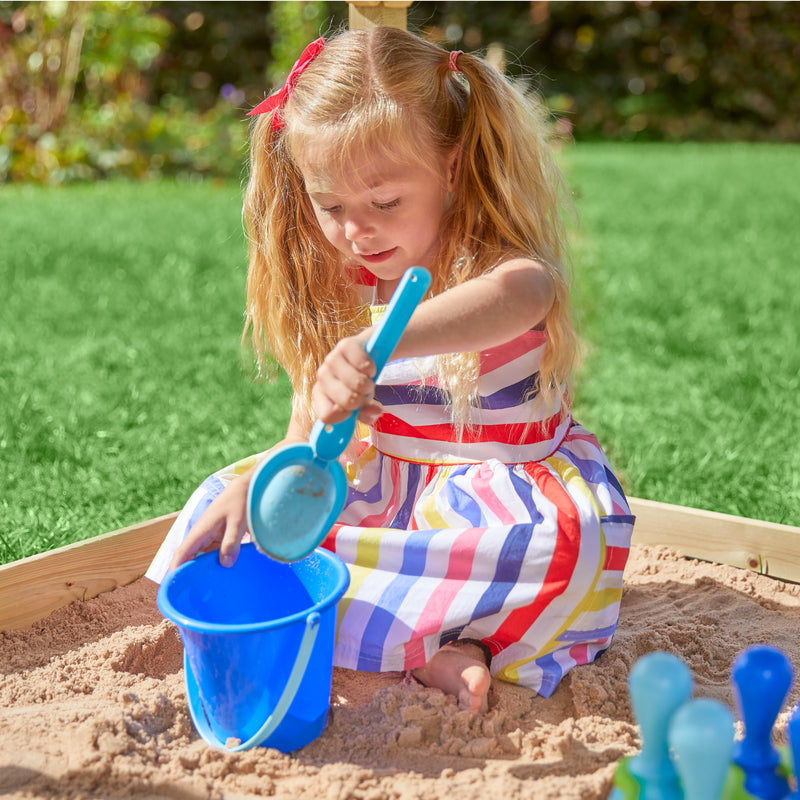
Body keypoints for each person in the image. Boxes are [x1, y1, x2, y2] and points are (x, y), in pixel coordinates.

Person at [146, 27, 635, 715]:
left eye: (384, 203)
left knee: (568, 546)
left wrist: (384, 341)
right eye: (331, 207)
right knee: (222, 506)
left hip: (502, 504)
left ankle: (432, 638)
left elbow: (527, 293)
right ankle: (436, 643)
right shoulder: (343, 285)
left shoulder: (491, 263)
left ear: (452, 167)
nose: (357, 232)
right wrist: (264, 484)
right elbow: (305, 440)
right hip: (391, 502)